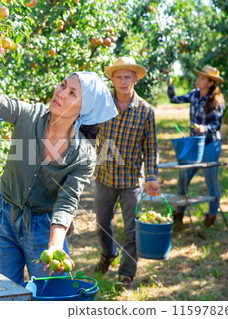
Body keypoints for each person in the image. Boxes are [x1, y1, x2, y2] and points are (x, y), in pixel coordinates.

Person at [0, 72, 117, 284]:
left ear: (85, 110)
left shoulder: (83, 154)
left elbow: (67, 201)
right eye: (63, 85)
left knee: (51, 296)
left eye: (72, 93)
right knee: (1, 293)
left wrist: (54, 244)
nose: (61, 93)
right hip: (3, 218)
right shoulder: (30, 115)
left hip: (44, 228)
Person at [94, 57, 160, 291]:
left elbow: (151, 147)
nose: (123, 81)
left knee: (132, 229)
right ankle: (108, 253)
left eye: (127, 76)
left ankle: (126, 274)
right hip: (104, 176)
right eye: (118, 77)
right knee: (102, 223)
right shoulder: (103, 105)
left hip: (131, 180)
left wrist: (151, 176)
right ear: (112, 80)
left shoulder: (145, 111)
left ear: (135, 79)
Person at [167, 65, 225, 228]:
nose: (198, 80)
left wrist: (204, 128)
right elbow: (174, 99)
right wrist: (169, 83)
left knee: (211, 182)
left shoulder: (215, 100)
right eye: (198, 77)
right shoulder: (193, 94)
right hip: (194, 144)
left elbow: (216, 125)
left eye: (202, 78)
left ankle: (211, 217)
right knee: (183, 178)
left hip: (209, 144)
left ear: (211, 82)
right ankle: (179, 213)